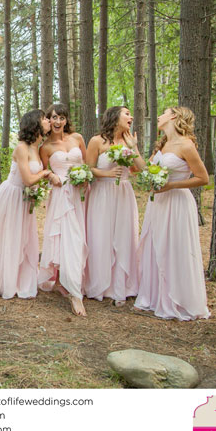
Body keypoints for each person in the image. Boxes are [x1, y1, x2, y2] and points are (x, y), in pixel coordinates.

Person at [135, 106, 210, 320]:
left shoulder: (186, 145)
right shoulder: (163, 144)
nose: (159, 116)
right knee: (156, 245)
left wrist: (172, 185)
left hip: (177, 202)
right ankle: (155, 297)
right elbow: (146, 170)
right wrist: (134, 148)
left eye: (164, 113)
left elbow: (203, 178)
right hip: (158, 203)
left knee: (175, 248)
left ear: (174, 116)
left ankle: (178, 299)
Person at [0, 109, 55, 299]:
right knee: (11, 237)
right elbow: (27, 179)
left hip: (25, 198)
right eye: (44, 118)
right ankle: (7, 281)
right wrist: (46, 173)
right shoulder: (22, 148)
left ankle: (23, 280)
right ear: (35, 123)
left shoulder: (38, 147)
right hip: (12, 196)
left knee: (25, 238)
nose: (49, 121)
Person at [84, 106, 146, 305]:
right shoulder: (97, 141)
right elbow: (88, 169)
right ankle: (100, 283)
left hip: (123, 194)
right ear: (114, 117)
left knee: (123, 236)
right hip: (102, 193)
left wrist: (134, 147)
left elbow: (139, 169)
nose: (131, 117)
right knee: (101, 235)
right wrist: (107, 174)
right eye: (126, 113)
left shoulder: (129, 141)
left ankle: (122, 285)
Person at [37, 104, 88, 316]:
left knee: (77, 237)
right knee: (67, 238)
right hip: (60, 196)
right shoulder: (45, 147)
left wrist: (85, 178)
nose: (58, 122)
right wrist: (51, 176)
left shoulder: (77, 138)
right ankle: (75, 294)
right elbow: (42, 172)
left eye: (62, 118)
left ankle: (62, 281)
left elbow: (86, 164)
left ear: (67, 120)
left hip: (79, 194)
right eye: (54, 117)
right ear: (49, 120)